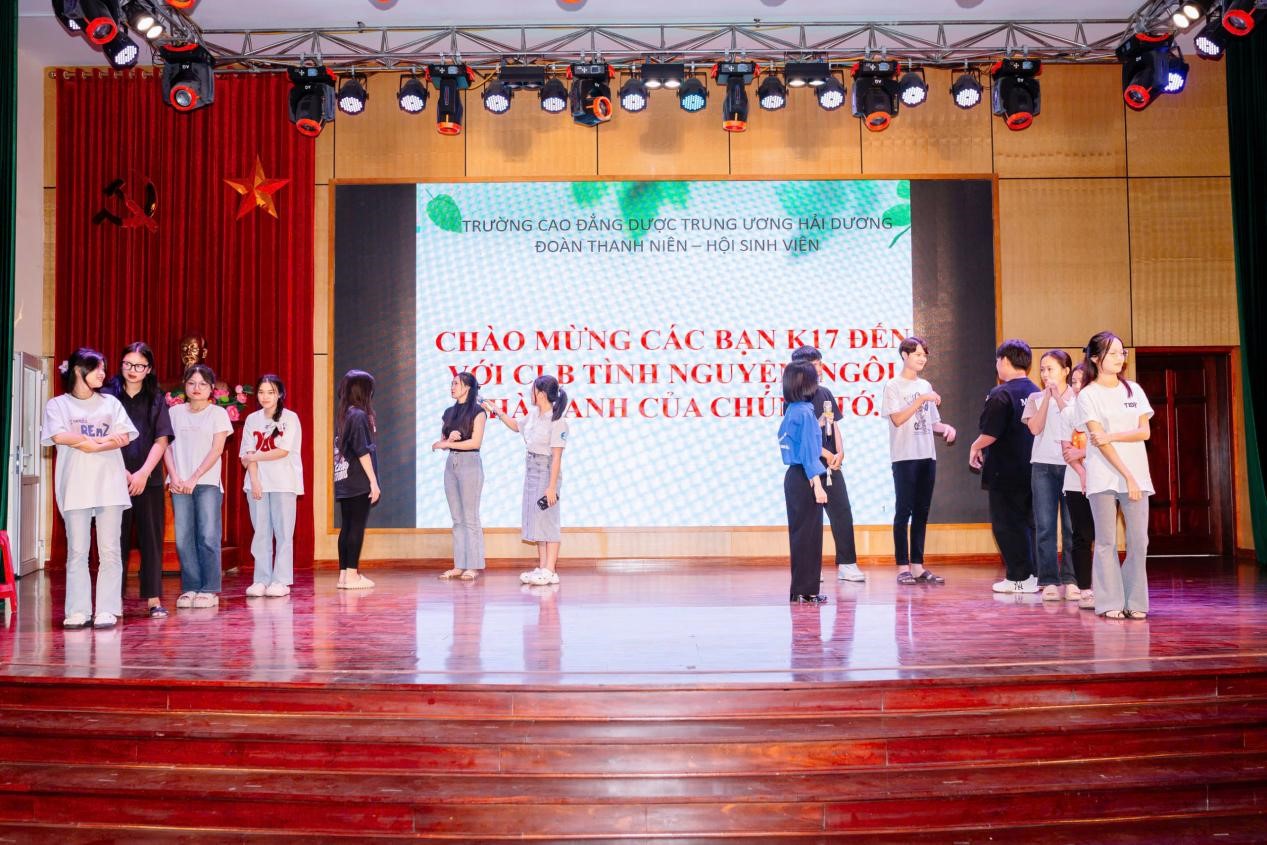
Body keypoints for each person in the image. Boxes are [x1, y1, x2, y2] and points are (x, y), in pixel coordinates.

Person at [41, 347, 138, 629]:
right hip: (75, 486)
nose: (103, 374)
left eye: (104, 369)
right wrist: (96, 441)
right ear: (78, 370)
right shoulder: (58, 405)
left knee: (110, 550)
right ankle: (78, 610)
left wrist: (94, 444)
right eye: (97, 368)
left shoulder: (110, 403)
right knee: (77, 551)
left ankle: (107, 608)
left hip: (109, 484)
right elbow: (59, 435)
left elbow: (124, 436)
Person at [1076, 331, 1153, 619]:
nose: (1120, 357)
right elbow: (1099, 442)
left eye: (1122, 352)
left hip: (1138, 476)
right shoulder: (1088, 395)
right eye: (1113, 353)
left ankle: (1135, 601)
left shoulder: (1134, 390)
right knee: (1106, 542)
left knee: (1139, 541)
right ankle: (1109, 602)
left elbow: (1144, 432)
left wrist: (1113, 435)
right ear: (1096, 358)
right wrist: (1127, 475)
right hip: (1104, 476)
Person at [101, 342, 173, 618]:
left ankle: (153, 598)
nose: (132, 370)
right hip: (113, 476)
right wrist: (122, 471)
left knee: (151, 539)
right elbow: (102, 437)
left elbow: (162, 439)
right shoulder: (107, 396)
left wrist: (143, 473)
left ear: (149, 369)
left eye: (139, 366)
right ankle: (112, 600)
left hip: (148, 479)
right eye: (127, 364)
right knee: (114, 539)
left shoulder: (156, 398)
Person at [881, 336, 956, 585]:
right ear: (905, 355)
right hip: (904, 456)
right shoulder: (893, 385)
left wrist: (946, 428)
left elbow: (933, 422)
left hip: (927, 456)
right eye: (918, 354)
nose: (922, 359)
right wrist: (921, 399)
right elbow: (897, 419)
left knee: (922, 511)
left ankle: (917, 566)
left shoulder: (925, 385)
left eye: (924, 355)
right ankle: (902, 566)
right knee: (904, 511)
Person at [969, 339, 1041, 595]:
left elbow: (990, 432)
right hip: (1033, 469)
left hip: (1005, 470)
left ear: (1005, 361)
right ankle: (1034, 575)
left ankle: (1018, 577)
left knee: (1007, 524)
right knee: (1030, 523)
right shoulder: (1037, 391)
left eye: (998, 360)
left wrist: (975, 446)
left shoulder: (1001, 393)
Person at [483, 375, 568, 588]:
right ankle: (543, 567)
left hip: (546, 470)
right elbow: (515, 426)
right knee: (537, 519)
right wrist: (497, 411)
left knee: (548, 519)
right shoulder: (533, 415)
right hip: (531, 469)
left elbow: (556, 457)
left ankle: (550, 569)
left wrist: (551, 487)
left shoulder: (557, 421)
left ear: (541, 393)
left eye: (533, 390)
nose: (531, 393)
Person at [789, 346, 864, 583]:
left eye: (820, 364)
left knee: (842, 511)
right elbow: (801, 438)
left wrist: (839, 452)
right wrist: (825, 453)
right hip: (808, 465)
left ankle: (847, 564)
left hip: (831, 465)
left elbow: (835, 425)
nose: (820, 369)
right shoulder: (795, 400)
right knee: (810, 521)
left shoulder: (826, 393)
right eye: (815, 365)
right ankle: (812, 569)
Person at [165, 363, 233, 609]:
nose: (196, 388)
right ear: (184, 385)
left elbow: (217, 449)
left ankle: (209, 589)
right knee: (183, 538)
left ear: (211, 388)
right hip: (178, 483)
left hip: (206, 482)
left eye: (203, 384)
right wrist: (174, 476)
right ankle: (191, 587)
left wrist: (194, 477)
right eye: (192, 383)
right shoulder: (174, 413)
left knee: (208, 536)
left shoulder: (218, 414)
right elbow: (166, 446)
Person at [240, 374, 304, 598]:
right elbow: (246, 454)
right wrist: (255, 480)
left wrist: (255, 456)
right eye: (261, 392)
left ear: (280, 394)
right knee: (261, 532)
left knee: (284, 532)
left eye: (271, 392)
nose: (265, 396)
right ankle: (261, 579)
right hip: (257, 483)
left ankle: (281, 580)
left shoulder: (290, 418)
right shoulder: (252, 419)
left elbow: (283, 451)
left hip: (284, 482)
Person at [1022, 349, 1078, 601]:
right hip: (1042, 467)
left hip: (1072, 466)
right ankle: (1048, 580)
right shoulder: (1034, 397)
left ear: (1066, 371)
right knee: (1044, 525)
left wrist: (1059, 397)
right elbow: (1035, 428)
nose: (1045, 374)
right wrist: (1047, 398)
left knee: (1071, 526)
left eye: (1050, 369)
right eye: (1042, 369)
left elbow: (1076, 425)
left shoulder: (1078, 397)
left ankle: (1072, 579)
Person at [779, 360, 830, 603]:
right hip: (806, 478)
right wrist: (818, 485)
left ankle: (799, 590)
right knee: (810, 537)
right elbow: (810, 453)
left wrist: (817, 425)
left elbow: (800, 440)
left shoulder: (793, 409)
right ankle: (807, 592)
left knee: (800, 536)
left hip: (794, 477)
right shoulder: (806, 412)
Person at [434, 372, 487, 580]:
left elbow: (476, 442)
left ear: (467, 387)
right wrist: (449, 440)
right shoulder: (448, 412)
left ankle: (473, 565)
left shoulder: (478, 411)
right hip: (452, 464)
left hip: (470, 463)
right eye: (452, 383)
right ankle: (459, 565)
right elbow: (441, 442)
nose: (452, 387)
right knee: (457, 519)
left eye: (456, 383)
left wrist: (450, 443)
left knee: (470, 517)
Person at [333, 369, 380, 589]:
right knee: (356, 527)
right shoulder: (359, 416)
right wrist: (373, 481)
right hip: (357, 479)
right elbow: (362, 451)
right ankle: (352, 575)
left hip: (344, 478)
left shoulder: (346, 415)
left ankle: (344, 575)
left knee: (347, 526)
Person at [1057, 362, 1095, 609]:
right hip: (1074, 482)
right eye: (1074, 381)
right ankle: (1085, 589)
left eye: (1082, 381)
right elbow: (1067, 450)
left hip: (1103, 480)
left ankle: (1107, 588)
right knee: (1081, 536)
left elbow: (1105, 444)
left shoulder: (1100, 409)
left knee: (1102, 537)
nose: (1077, 386)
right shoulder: (1068, 412)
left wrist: (1083, 452)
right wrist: (1081, 472)